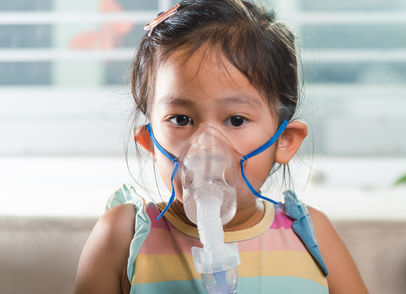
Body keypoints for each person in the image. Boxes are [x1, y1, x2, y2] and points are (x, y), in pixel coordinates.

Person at [74, 1, 368, 293]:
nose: (206, 147)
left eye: (236, 120)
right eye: (181, 119)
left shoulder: (311, 235)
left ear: (284, 141)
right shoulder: (123, 237)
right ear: (150, 141)